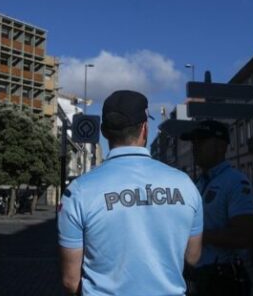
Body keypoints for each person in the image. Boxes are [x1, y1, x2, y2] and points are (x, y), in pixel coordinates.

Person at [58, 90, 204, 295]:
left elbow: (70, 280)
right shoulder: (185, 184)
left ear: (104, 131)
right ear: (145, 128)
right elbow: (192, 257)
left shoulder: (78, 191)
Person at [180, 120, 253, 296]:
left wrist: (198, 236)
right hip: (196, 276)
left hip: (221, 278)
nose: (195, 147)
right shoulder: (198, 183)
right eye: (194, 142)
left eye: (201, 141)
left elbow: (244, 236)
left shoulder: (235, 181)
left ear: (220, 146)